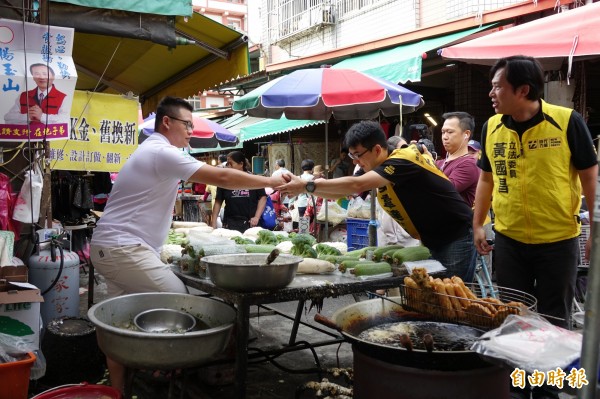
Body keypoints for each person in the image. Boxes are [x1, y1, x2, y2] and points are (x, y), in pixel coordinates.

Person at [89, 96, 286, 394]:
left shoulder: (152, 151)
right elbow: (221, 176)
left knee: (118, 323)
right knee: (179, 298)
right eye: (187, 125)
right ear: (166, 122)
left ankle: (119, 391)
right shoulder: (161, 151)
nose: (191, 131)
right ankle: (169, 371)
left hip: (109, 247)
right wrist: (270, 179)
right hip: (124, 248)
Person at [473, 55, 597, 334]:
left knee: (555, 320)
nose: (491, 94)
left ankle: (550, 377)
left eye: (497, 87)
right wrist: (478, 223)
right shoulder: (491, 127)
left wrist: (596, 232)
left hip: (558, 239)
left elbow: (590, 177)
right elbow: (486, 178)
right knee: (514, 316)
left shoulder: (566, 121)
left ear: (523, 90)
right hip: (509, 239)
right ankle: (520, 377)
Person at [278, 120, 476, 281]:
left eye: (358, 155)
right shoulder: (378, 171)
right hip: (432, 239)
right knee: (435, 299)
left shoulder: (402, 160)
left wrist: (307, 186)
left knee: (451, 299)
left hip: (456, 235)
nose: (355, 162)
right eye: (351, 156)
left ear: (377, 149)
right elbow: (344, 192)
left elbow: (356, 185)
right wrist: (310, 189)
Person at [377, 136, 420, 248]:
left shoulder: (409, 171)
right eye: (402, 149)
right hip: (391, 240)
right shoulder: (386, 173)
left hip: (408, 238)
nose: (406, 152)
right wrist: (392, 238)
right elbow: (387, 214)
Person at [211, 151, 268, 233]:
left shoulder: (253, 179)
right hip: (230, 223)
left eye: (231, 164)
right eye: (227, 164)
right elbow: (218, 201)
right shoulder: (224, 182)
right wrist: (213, 224)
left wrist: (256, 217)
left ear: (241, 164)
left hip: (250, 224)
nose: (228, 167)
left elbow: (263, 197)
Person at [435, 112, 480, 206]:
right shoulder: (439, 163)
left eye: (450, 132)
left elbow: (444, 190)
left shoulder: (469, 164)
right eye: (443, 132)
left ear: (466, 134)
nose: (445, 137)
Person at [4, 63, 69, 124]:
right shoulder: (23, 96)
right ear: (33, 77)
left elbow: (65, 120)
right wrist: (28, 117)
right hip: (27, 134)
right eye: (37, 74)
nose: (41, 77)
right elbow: (8, 118)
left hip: (50, 135)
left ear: (53, 77)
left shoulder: (63, 97)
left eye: (45, 74)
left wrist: (42, 116)